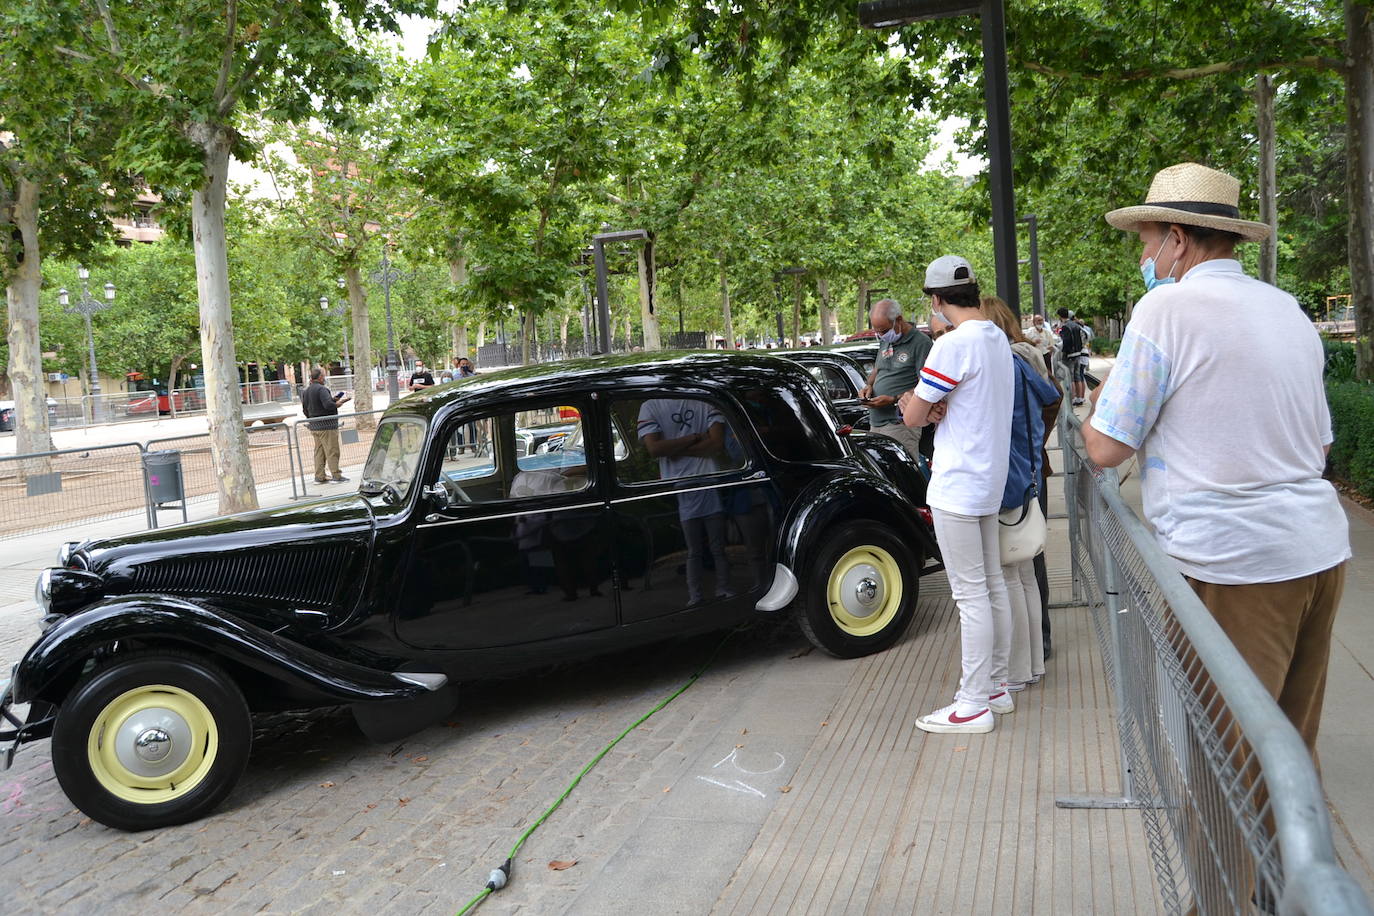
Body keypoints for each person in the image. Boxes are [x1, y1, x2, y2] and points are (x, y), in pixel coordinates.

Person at [1084, 161, 1351, 759]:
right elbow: (1321, 444)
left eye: (1147, 242)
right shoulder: (1287, 310)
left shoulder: (1165, 311)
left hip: (1233, 564)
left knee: (1229, 766)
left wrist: (1093, 411)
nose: (1144, 257)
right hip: (1318, 550)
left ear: (1177, 239)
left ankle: (1244, 859)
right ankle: (1284, 857)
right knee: (1288, 752)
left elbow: (1105, 446)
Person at [898, 255, 1015, 734]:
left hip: (957, 483)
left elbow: (911, 415)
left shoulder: (951, 345)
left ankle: (971, 704)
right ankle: (998, 687)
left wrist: (916, 403)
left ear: (937, 300)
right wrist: (935, 406)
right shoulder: (995, 338)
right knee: (992, 586)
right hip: (988, 480)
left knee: (970, 597)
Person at [982, 297, 1061, 688]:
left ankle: (1020, 662)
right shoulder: (1030, 357)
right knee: (1029, 565)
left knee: (1013, 569)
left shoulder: (1006, 365)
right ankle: (1035, 653)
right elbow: (1053, 400)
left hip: (1013, 475)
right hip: (1033, 470)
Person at [637, 398, 733, 605]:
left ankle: (720, 589)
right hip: (682, 485)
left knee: (713, 548)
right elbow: (654, 449)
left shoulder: (702, 399)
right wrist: (697, 437)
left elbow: (716, 444)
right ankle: (697, 595)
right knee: (695, 549)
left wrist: (673, 448)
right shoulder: (652, 405)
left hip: (707, 482)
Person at [857, 298, 933, 463]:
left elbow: (925, 386)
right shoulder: (886, 340)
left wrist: (893, 399)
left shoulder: (921, 343)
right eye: (877, 332)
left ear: (899, 320)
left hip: (900, 424)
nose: (881, 336)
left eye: (883, 331)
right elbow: (878, 369)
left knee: (902, 476)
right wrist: (868, 387)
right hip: (876, 422)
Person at [301, 366, 349, 483]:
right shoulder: (322, 389)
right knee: (332, 450)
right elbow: (328, 405)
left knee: (319, 452)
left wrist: (311, 419)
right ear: (320, 377)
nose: (325, 378)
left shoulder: (307, 391)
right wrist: (338, 403)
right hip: (327, 426)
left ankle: (319, 476)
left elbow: (305, 409)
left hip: (315, 426)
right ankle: (336, 475)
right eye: (324, 375)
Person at [1055, 308, 1088, 405]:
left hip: (1069, 355)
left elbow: (1066, 342)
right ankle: (1080, 398)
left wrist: (1063, 350)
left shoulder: (1065, 327)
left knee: (1070, 377)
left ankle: (1072, 398)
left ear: (1060, 316)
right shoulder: (1076, 325)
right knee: (1078, 376)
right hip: (1078, 354)